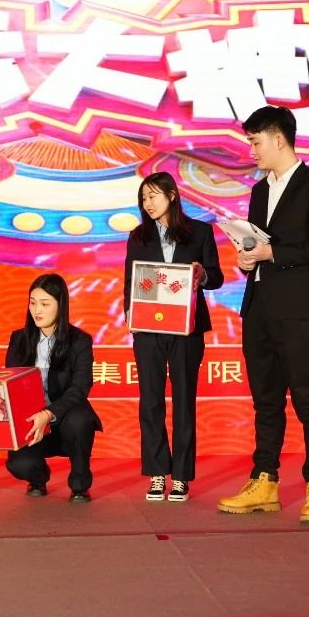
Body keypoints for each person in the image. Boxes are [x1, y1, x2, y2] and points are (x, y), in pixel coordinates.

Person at [217, 105, 309, 524]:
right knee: (265, 399)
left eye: (255, 142)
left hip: (298, 309)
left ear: (278, 138)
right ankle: (264, 480)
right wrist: (247, 260)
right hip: (258, 307)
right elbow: (257, 245)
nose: (251, 150)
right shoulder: (259, 191)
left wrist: (274, 253)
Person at [123, 171, 223, 503]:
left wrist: (202, 274)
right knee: (150, 401)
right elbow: (130, 279)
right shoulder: (138, 236)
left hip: (187, 328)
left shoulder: (200, 232)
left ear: (172, 195)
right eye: (143, 198)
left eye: (152, 196)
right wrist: (130, 314)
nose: (147, 203)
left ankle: (180, 475)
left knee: (183, 400)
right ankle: (156, 472)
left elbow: (217, 277)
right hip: (148, 329)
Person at [3, 273, 101, 503]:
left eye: (45, 304)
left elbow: (79, 388)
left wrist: (48, 414)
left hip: (65, 415)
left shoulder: (79, 341)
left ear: (60, 305)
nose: (37, 310)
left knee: (81, 421)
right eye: (33, 303)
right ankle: (38, 478)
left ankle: (80, 484)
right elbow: (10, 384)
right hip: (31, 420)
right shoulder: (19, 339)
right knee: (19, 465)